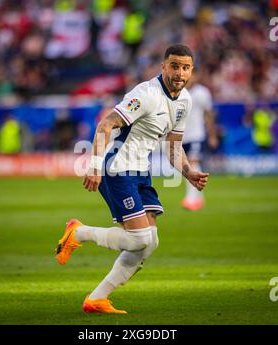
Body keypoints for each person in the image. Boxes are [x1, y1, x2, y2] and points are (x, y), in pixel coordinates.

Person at [55, 44, 209, 314]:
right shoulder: (146, 94)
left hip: (140, 170)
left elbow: (173, 146)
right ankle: (78, 232)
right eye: (174, 66)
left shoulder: (185, 101)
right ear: (163, 67)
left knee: (150, 243)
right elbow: (106, 124)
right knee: (139, 239)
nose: (179, 73)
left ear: (192, 71)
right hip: (117, 166)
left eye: (185, 67)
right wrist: (94, 166)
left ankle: (97, 299)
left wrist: (189, 172)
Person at [181, 70, 218, 211]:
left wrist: (212, 135)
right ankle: (199, 198)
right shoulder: (178, 92)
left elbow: (208, 115)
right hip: (181, 136)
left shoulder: (202, 92)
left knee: (193, 163)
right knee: (185, 167)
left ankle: (190, 199)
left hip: (196, 134)